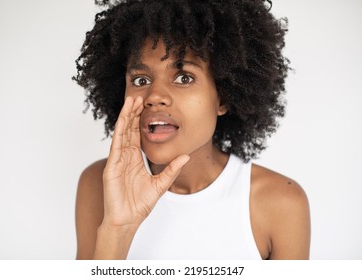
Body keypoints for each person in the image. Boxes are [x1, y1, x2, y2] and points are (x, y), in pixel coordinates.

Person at [73, 0, 310, 260]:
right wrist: (117, 229)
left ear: (223, 98)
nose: (154, 96)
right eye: (141, 80)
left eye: (184, 77)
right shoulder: (100, 184)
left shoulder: (281, 203)